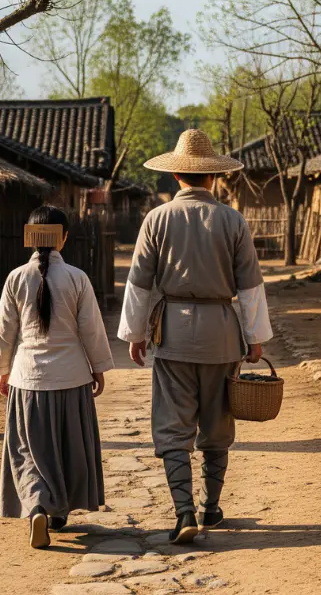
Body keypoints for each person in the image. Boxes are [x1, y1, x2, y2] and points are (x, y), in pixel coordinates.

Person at [117, 128, 273, 544]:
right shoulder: (232, 220)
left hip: (173, 335)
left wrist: (134, 333)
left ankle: (183, 511)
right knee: (218, 423)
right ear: (213, 177)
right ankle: (211, 507)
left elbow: (138, 283)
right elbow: (250, 286)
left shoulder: (157, 219)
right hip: (222, 332)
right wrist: (255, 337)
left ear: (176, 177)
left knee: (173, 425)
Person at [0, 205, 115, 549]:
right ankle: (57, 512)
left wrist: (2, 370)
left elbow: (4, 332)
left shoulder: (16, 278)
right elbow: (91, 329)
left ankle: (37, 506)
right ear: (64, 239)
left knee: (28, 450)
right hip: (72, 378)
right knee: (66, 447)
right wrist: (99, 368)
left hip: (28, 378)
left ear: (29, 238)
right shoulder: (77, 278)